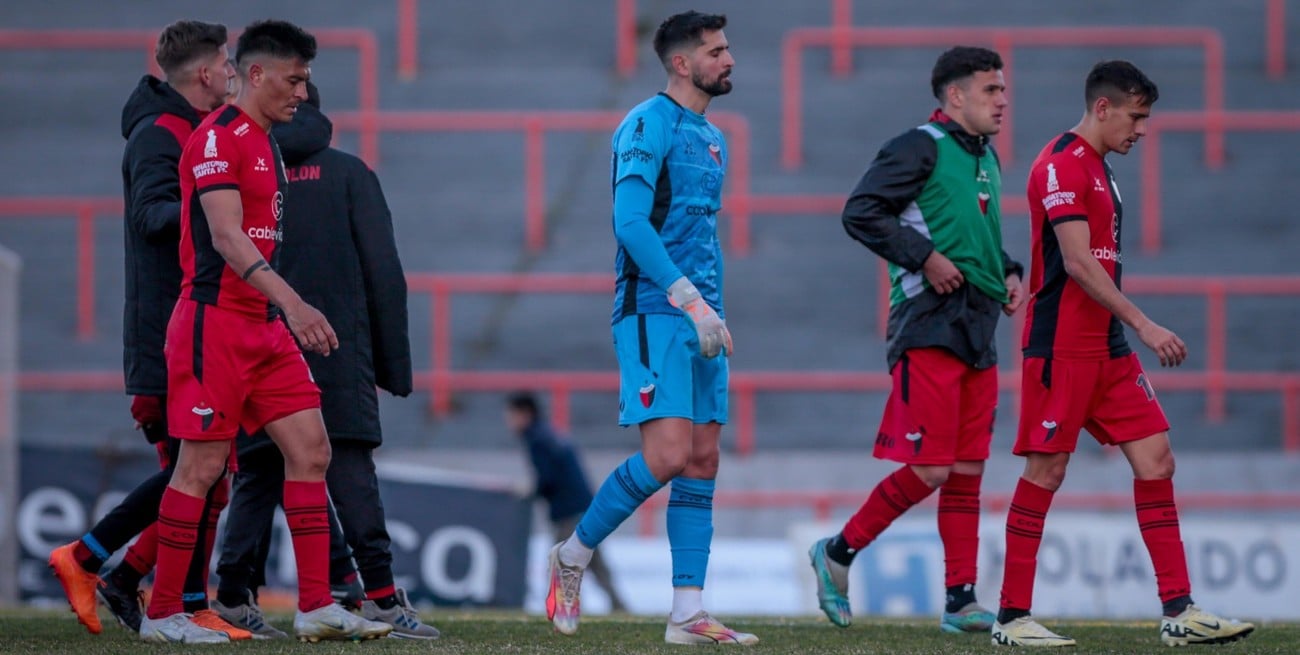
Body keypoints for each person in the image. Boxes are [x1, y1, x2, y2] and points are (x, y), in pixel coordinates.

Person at [137, 19, 392, 643]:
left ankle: (315, 606)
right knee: (199, 468)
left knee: (311, 451)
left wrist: (282, 311)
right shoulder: (218, 138)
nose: (302, 93)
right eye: (294, 79)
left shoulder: (267, 142)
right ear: (255, 74)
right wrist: (297, 306)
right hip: (215, 325)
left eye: (306, 80)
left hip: (262, 326)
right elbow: (225, 238)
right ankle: (162, 610)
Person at [990, 60, 1255, 648]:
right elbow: (1079, 263)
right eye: (1136, 116)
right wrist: (1145, 323)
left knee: (1157, 460)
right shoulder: (1060, 163)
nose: (1142, 129)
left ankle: (1179, 610)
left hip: (1105, 348)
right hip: (1061, 345)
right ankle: (1010, 617)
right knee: (1046, 471)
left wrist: (1123, 330)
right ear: (1103, 108)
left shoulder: (1102, 169)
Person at [544, 11, 756, 646]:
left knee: (702, 460)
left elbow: (700, 236)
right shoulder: (645, 124)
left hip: (703, 317)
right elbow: (631, 224)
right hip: (656, 311)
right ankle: (571, 556)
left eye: (728, 48)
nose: (730, 59)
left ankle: (686, 613)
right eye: (717, 51)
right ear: (682, 63)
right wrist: (687, 298)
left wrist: (711, 309)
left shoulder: (715, 138)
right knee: (667, 456)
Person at [807, 46, 1024, 635]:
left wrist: (1008, 270)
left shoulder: (985, 157)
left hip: (978, 324)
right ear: (955, 96)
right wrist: (924, 258)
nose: (1003, 100)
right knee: (931, 469)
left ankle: (960, 600)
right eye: (991, 90)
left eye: (1003, 89)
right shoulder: (918, 144)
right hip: (928, 322)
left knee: (968, 470)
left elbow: (974, 233)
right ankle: (837, 552)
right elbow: (861, 212)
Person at [211, 81, 438, 640]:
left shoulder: (244, 172)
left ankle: (234, 597)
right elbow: (385, 273)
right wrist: (393, 365)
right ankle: (382, 599)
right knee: (350, 472)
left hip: (255, 340)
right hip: (338, 348)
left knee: (259, 475)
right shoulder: (348, 173)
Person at [47, 19, 251, 641]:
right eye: (226, 61)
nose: (233, 72)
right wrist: (216, 200)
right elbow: (150, 216)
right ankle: (92, 558)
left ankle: (161, 590)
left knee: (209, 475)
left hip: (197, 326)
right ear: (204, 73)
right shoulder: (158, 133)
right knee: (197, 470)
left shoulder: (194, 130)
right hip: (167, 333)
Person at [505, 392, 628, 613]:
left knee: (563, 560)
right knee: (594, 561)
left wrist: (529, 492)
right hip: (584, 506)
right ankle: (618, 605)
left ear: (524, 413)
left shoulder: (537, 439)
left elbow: (548, 478)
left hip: (568, 511)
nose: (509, 421)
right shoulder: (548, 434)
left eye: (512, 415)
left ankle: (562, 609)